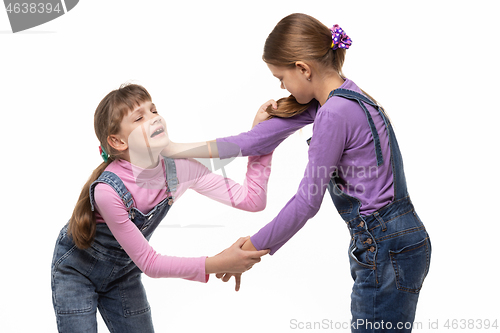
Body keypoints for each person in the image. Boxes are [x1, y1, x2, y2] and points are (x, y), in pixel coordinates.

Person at [163, 13, 431, 333]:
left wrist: (248, 250)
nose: (281, 86)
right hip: (396, 241)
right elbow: (250, 142)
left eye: (281, 77)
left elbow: (306, 202)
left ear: (303, 68)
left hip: (384, 247)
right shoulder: (340, 98)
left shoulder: (333, 112)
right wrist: (172, 149)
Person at [51, 83, 272, 333]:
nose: (154, 118)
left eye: (154, 110)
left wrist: (262, 138)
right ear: (118, 141)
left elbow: (252, 199)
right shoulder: (108, 191)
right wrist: (219, 263)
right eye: (139, 117)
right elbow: (151, 263)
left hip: (123, 274)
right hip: (77, 273)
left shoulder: (180, 170)